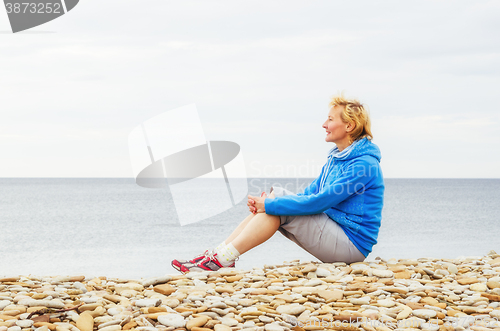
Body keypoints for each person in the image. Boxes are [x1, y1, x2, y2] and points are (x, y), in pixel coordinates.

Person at [171, 94, 384, 273]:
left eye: (330, 119)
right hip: (336, 233)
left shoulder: (362, 166)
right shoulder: (337, 158)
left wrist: (270, 206)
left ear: (349, 125)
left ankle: (221, 259)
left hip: (351, 246)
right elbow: (311, 193)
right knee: (277, 196)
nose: (324, 124)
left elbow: (320, 202)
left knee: (276, 209)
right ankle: (218, 255)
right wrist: (270, 202)